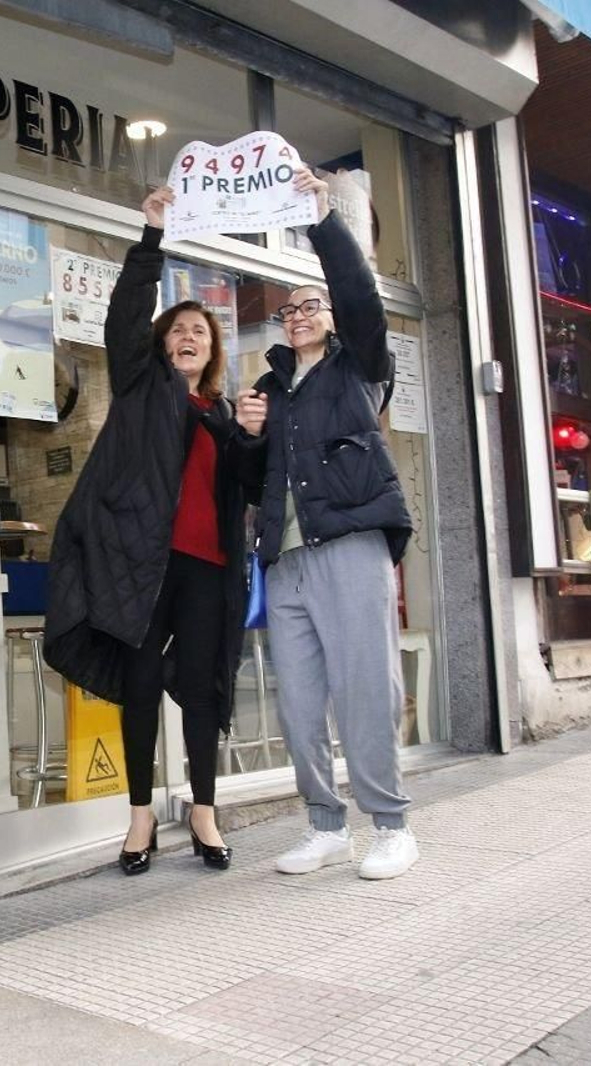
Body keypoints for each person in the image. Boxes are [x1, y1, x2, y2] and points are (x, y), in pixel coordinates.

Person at [44, 185, 265, 876]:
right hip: (140, 563)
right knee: (140, 685)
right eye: (179, 329)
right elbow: (123, 315)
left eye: (202, 332)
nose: (191, 336)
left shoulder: (224, 414)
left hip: (207, 568)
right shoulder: (143, 385)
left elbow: (249, 492)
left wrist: (252, 442)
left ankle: (203, 808)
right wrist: (150, 239)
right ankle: (140, 816)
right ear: (161, 344)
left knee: (199, 688)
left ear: (213, 351)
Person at [242, 165, 418, 880]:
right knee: (302, 701)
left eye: (312, 305)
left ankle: (392, 824)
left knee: (366, 685)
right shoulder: (267, 387)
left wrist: (322, 222)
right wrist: (245, 434)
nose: (300, 315)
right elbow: (248, 480)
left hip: (351, 544)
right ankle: (324, 825)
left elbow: (359, 296)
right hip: (285, 562)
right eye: (289, 310)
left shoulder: (360, 368)